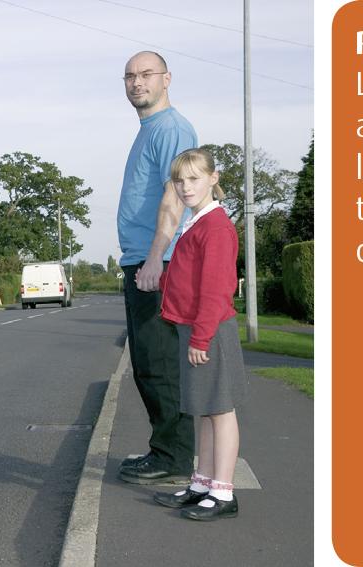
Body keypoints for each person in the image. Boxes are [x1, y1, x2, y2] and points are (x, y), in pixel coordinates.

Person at [150, 148, 248, 521]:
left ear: (213, 178)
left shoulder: (216, 226)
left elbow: (215, 289)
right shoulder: (195, 223)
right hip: (195, 328)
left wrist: (201, 339)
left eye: (193, 178)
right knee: (204, 412)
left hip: (210, 332)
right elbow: (188, 278)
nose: (185, 186)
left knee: (220, 411)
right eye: (180, 180)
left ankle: (223, 493)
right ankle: (203, 483)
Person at [116, 51, 198, 485]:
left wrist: (154, 257)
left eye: (146, 74)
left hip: (158, 262)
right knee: (148, 361)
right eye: (129, 76)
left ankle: (174, 456)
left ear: (167, 78)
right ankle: (166, 449)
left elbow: (176, 194)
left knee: (160, 362)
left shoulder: (170, 128)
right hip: (143, 260)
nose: (137, 82)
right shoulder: (149, 129)